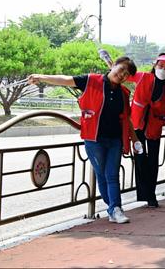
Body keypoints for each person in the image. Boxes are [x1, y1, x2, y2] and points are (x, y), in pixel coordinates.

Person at [28, 57, 140, 224]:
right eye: (121, 69)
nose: (122, 75)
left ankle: (116, 208)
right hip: (94, 139)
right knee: (102, 175)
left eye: (126, 74)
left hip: (115, 140)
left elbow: (126, 118)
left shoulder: (123, 93)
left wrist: (135, 139)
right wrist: (42, 77)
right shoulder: (91, 81)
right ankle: (112, 208)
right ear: (113, 66)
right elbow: (65, 80)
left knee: (112, 175)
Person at [124, 53, 165, 208]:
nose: (163, 69)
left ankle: (151, 195)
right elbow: (121, 74)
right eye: (161, 66)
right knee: (141, 159)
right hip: (137, 126)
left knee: (153, 161)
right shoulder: (143, 77)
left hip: (154, 128)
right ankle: (145, 194)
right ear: (155, 66)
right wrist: (109, 61)